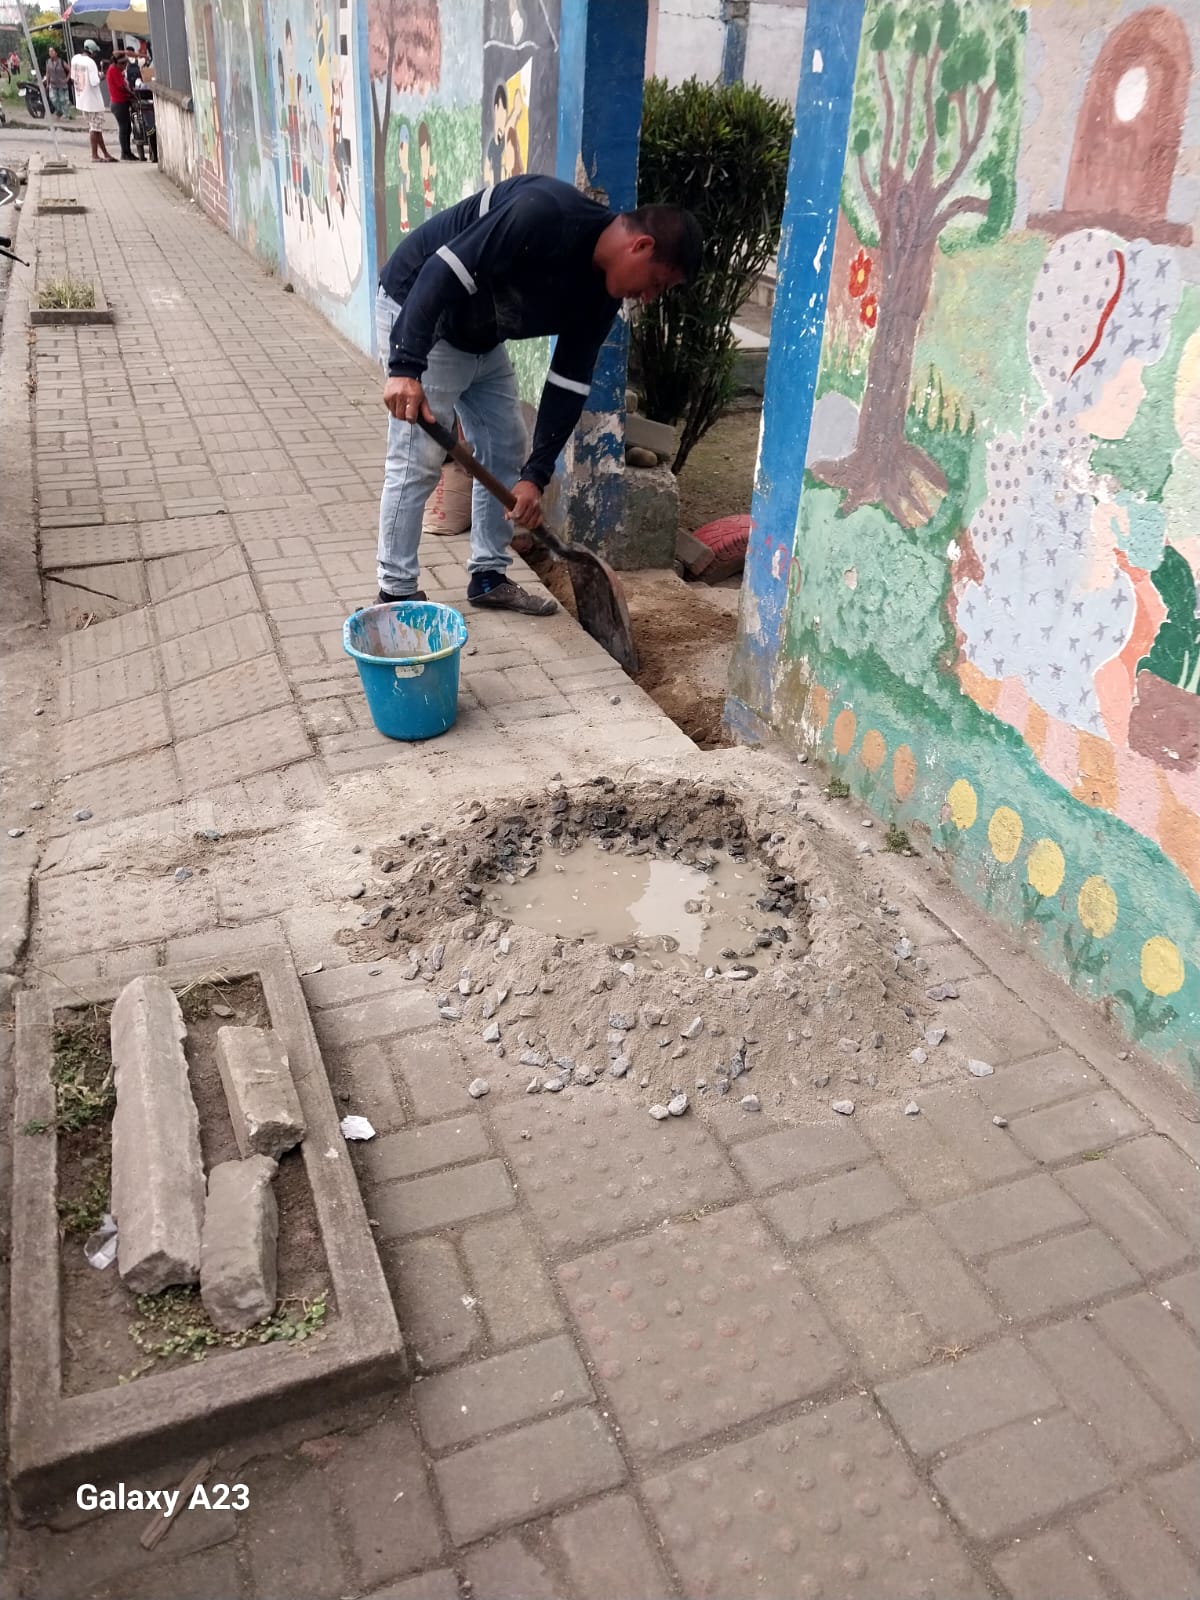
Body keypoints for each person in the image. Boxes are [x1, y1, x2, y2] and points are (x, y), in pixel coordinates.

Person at [375, 173, 702, 613]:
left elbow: (569, 383)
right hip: (420, 307)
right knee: (418, 458)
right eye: (656, 283)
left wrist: (536, 476)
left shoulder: (602, 297)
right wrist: (405, 366)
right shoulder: (544, 213)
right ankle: (395, 594)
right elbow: (440, 271)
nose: (646, 297)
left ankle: (488, 576)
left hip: (479, 333)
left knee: (506, 444)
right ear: (641, 246)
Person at [71, 40, 115, 163]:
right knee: (94, 129)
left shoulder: (75, 59)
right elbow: (95, 82)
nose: (95, 54)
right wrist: (101, 76)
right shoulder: (90, 63)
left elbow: (73, 77)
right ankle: (94, 155)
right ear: (91, 51)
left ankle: (105, 154)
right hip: (93, 102)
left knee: (96, 128)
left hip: (81, 99)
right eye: (95, 52)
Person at [105, 49, 139, 160]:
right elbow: (121, 86)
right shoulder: (113, 70)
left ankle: (127, 152)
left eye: (125, 64)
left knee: (127, 128)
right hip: (119, 103)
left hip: (121, 102)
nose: (125, 66)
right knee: (124, 128)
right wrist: (131, 94)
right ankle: (125, 153)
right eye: (123, 64)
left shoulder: (116, 70)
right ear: (117, 63)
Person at [44, 47, 70, 117]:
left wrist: (67, 79)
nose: (50, 53)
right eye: (49, 51)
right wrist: (47, 83)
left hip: (62, 84)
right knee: (53, 99)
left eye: (52, 51)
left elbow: (70, 70)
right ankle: (59, 111)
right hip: (53, 84)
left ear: (56, 53)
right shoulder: (48, 62)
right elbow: (47, 73)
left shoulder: (61, 61)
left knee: (63, 100)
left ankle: (66, 115)